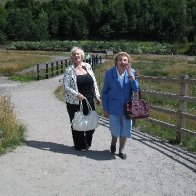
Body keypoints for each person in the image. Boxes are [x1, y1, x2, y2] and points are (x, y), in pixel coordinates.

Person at [102, 52, 139, 159]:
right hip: (113, 107)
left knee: (125, 130)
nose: (122, 62)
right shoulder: (109, 73)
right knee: (115, 129)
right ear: (116, 62)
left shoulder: (132, 72)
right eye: (120, 60)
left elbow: (136, 89)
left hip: (127, 108)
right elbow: (105, 92)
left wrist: (131, 76)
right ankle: (113, 141)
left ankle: (121, 150)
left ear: (128, 62)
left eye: (125, 60)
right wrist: (105, 108)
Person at [63, 47, 101, 151]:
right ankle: (79, 146)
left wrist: (97, 96)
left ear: (82, 56)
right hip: (74, 102)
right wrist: (76, 94)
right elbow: (66, 86)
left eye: (78, 54)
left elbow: (94, 82)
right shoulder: (69, 70)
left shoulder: (88, 66)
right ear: (71, 57)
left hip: (89, 100)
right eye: (74, 54)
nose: (76, 56)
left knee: (91, 123)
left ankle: (87, 141)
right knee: (77, 123)